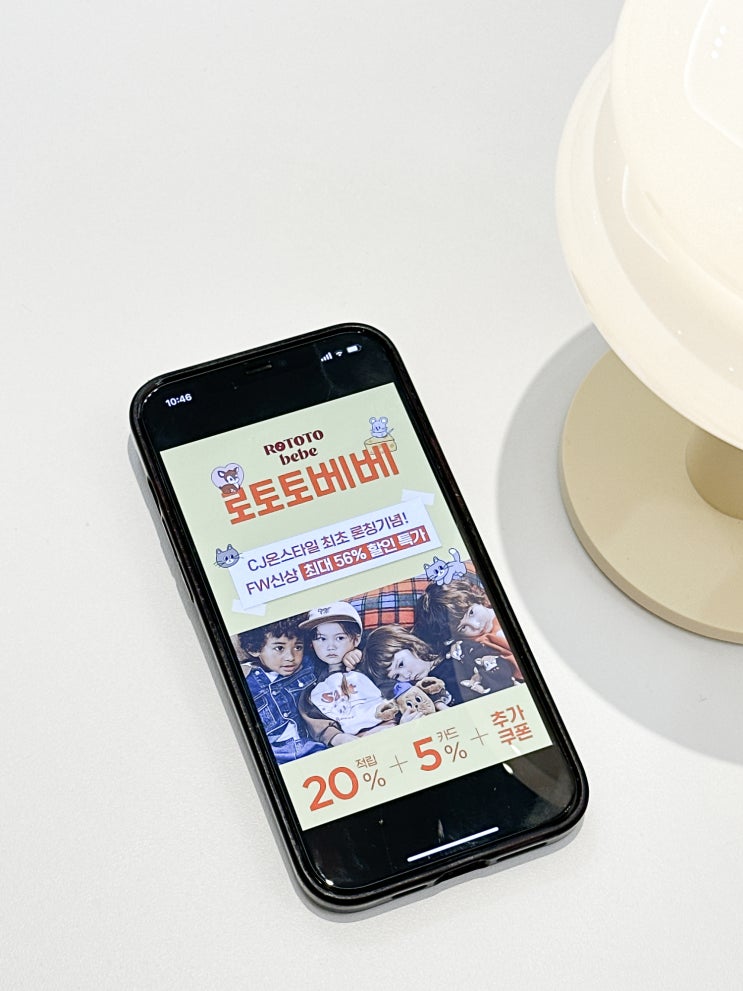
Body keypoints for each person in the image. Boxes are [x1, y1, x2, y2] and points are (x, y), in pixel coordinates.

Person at [237, 618, 325, 765]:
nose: (291, 657)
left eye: (298, 647)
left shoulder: (309, 665)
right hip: (276, 757)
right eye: (279, 648)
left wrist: (349, 655)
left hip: (314, 746)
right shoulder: (245, 681)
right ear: (255, 649)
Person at [413, 579, 522, 682]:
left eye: (471, 613)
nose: (476, 626)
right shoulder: (482, 642)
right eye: (463, 628)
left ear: (474, 598)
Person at [360, 624, 462, 706]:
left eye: (400, 664)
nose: (406, 675)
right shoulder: (417, 694)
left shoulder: (455, 653)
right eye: (397, 676)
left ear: (410, 644)